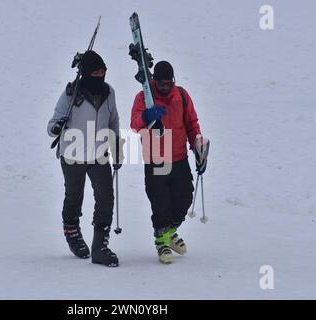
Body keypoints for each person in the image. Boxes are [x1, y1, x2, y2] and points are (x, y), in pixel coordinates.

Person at [47, 51, 123, 267]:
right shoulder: (71, 94)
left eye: (103, 70)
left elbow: (114, 121)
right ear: (87, 73)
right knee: (73, 196)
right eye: (96, 71)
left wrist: (116, 145)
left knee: (106, 198)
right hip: (72, 155)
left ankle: (100, 246)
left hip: (99, 155)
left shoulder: (109, 92)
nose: (101, 74)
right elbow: (52, 124)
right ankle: (72, 232)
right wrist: (56, 127)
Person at [130, 60, 209, 264]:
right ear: (154, 81)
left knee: (183, 199)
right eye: (161, 83)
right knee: (160, 202)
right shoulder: (144, 98)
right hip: (156, 158)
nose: (165, 87)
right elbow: (135, 124)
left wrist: (197, 146)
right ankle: (162, 240)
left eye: (168, 83)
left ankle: (169, 231)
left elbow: (192, 123)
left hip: (179, 157)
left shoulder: (181, 95)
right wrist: (147, 116)